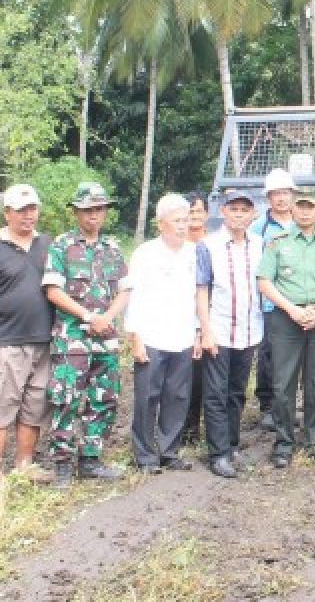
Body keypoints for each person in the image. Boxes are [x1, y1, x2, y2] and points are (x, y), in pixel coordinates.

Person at [0, 184, 55, 501]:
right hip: (5, 341)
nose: (28, 215)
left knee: (35, 406)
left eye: (32, 208)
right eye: (21, 210)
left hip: (44, 341)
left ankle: (24, 464)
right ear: (7, 213)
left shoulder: (48, 245)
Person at [42, 181, 130, 488]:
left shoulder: (113, 248)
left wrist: (106, 318)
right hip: (72, 339)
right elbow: (54, 291)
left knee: (103, 398)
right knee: (66, 398)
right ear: (77, 213)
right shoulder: (62, 246)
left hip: (105, 337)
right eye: (87, 210)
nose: (94, 216)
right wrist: (88, 316)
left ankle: (91, 459)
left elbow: (124, 291)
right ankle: (62, 464)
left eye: (99, 209)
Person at [257, 188, 315, 466]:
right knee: (283, 383)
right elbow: (264, 282)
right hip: (286, 317)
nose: (305, 211)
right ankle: (284, 442)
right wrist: (291, 309)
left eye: (311, 207)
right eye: (301, 206)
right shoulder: (278, 243)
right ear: (293, 210)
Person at [126, 193, 198, 474]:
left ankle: (169, 450)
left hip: (182, 335)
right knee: (147, 396)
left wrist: (198, 332)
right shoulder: (146, 253)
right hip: (151, 336)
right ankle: (144, 455)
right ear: (161, 223)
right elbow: (134, 297)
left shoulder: (194, 252)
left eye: (186, 219)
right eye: (177, 220)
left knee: (177, 396)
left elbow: (198, 297)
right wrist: (135, 337)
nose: (183, 225)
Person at [196, 189, 264, 479]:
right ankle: (218, 453)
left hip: (249, 329)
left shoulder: (259, 244)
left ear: (252, 214)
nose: (238, 214)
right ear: (222, 212)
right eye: (233, 209)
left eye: (244, 210)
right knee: (215, 393)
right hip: (220, 329)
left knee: (237, 391)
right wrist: (205, 330)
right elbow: (201, 290)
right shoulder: (208, 245)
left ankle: (232, 445)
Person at [252, 168, 298, 430]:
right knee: (268, 354)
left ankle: (290, 402)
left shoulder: (300, 223)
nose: (281, 198)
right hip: (269, 303)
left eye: (285, 193)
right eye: (275, 194)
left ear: (292, 195)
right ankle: (268, 406)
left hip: (298, 302)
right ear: (268, 198)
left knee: (295, 355)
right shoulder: (259, 228)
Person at [181, 191, 209, 445]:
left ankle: (193, 427)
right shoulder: (176, 248)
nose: (194, 217)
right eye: (189, 212)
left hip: (207, 321)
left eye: (198, 211)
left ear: (207, 214)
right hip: (178, 320)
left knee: (200, 378)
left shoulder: (212, 246)